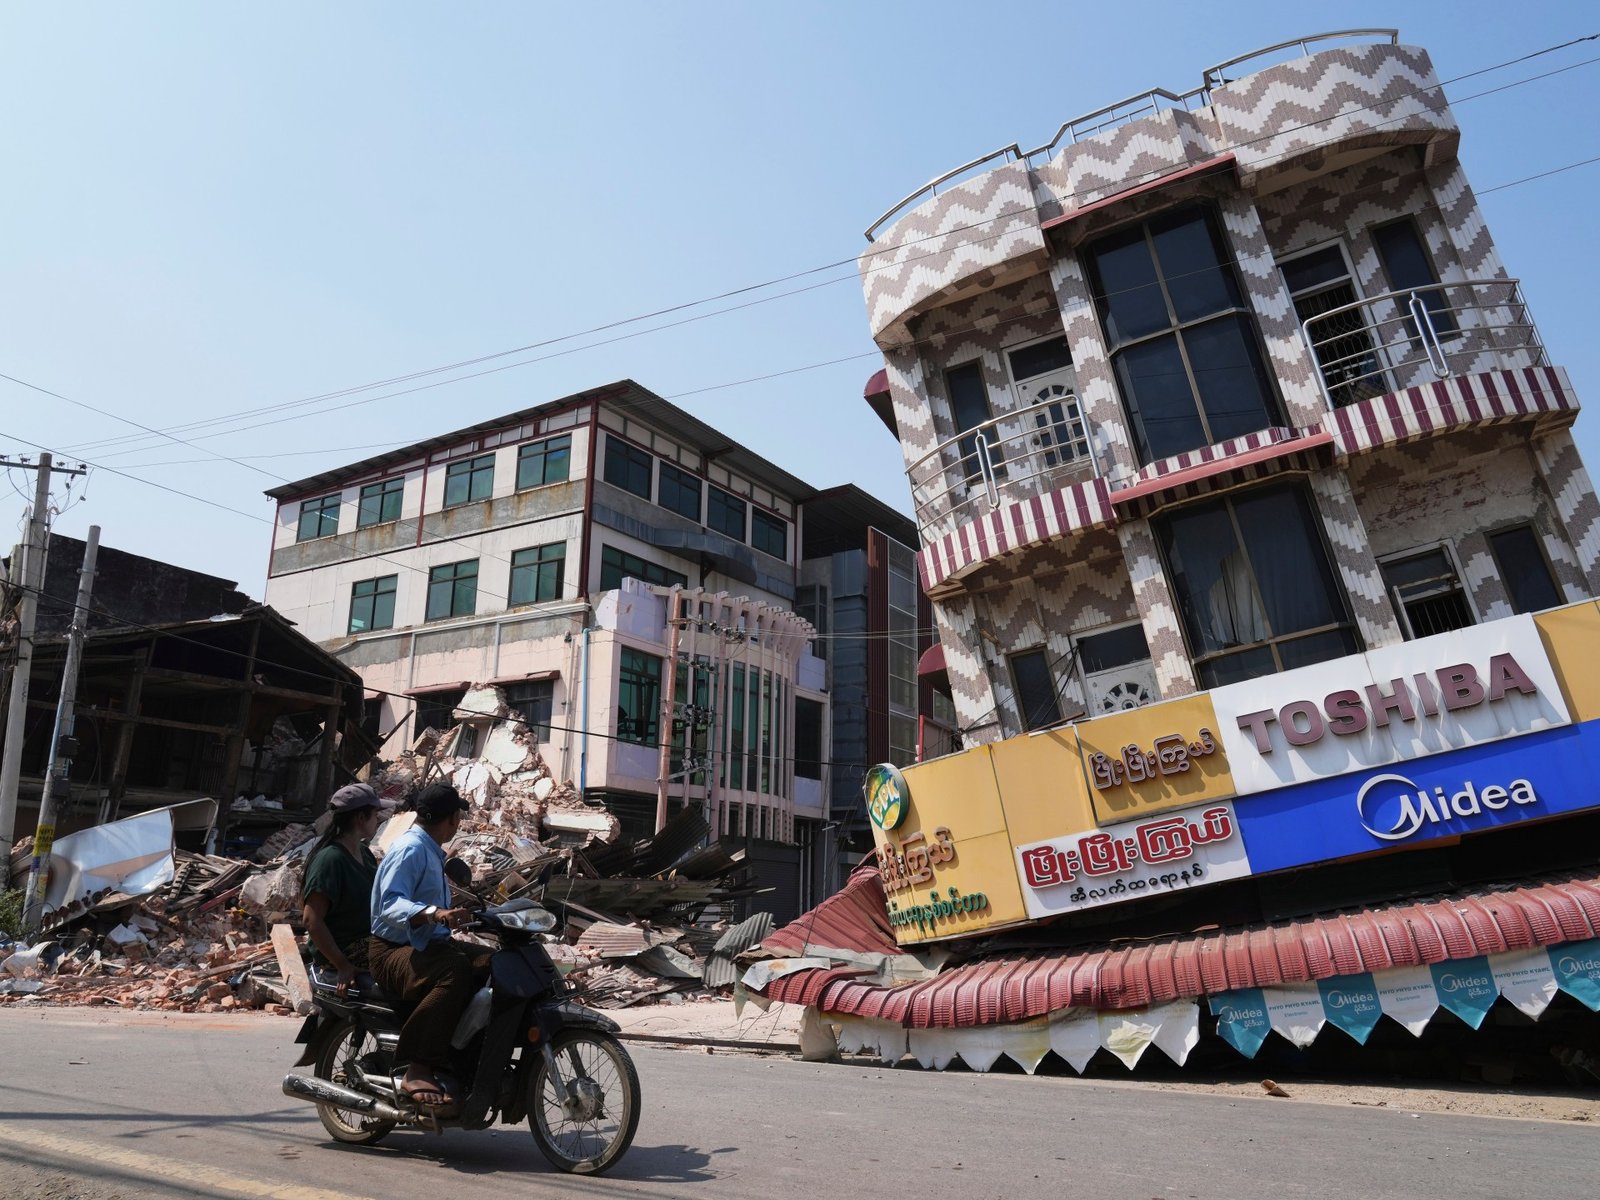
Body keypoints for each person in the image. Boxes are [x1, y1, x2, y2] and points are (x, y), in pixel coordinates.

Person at [368, 782, 484, 1110]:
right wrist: (435, 913)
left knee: (494, 963)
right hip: (390, 951)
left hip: (425, 945)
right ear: (452, 819)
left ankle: (460, 1057)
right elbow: (389, 904)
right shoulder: (411, 849)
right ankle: (417, 1066)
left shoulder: (431, 850)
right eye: (458, 816)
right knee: (454, 970)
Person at [300, 782, 391, 995]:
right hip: (346, 949)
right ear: (360, 818)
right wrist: (342, 964)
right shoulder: (330, 860)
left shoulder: (364, 853)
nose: (378, 820)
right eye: (375, 814)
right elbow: (311, 920)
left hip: (368, 939)